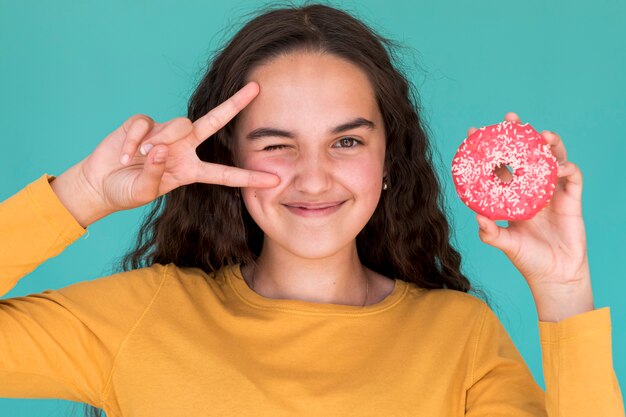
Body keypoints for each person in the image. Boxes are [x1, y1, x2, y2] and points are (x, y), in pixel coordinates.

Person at [0, 3, 623, 417]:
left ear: (389, 162)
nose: (313, 176)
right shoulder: (142, 316)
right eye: (276, 144)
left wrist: (564, 290)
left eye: (346, 141)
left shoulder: (460, 336)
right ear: (226, 160)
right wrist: (82, 194)